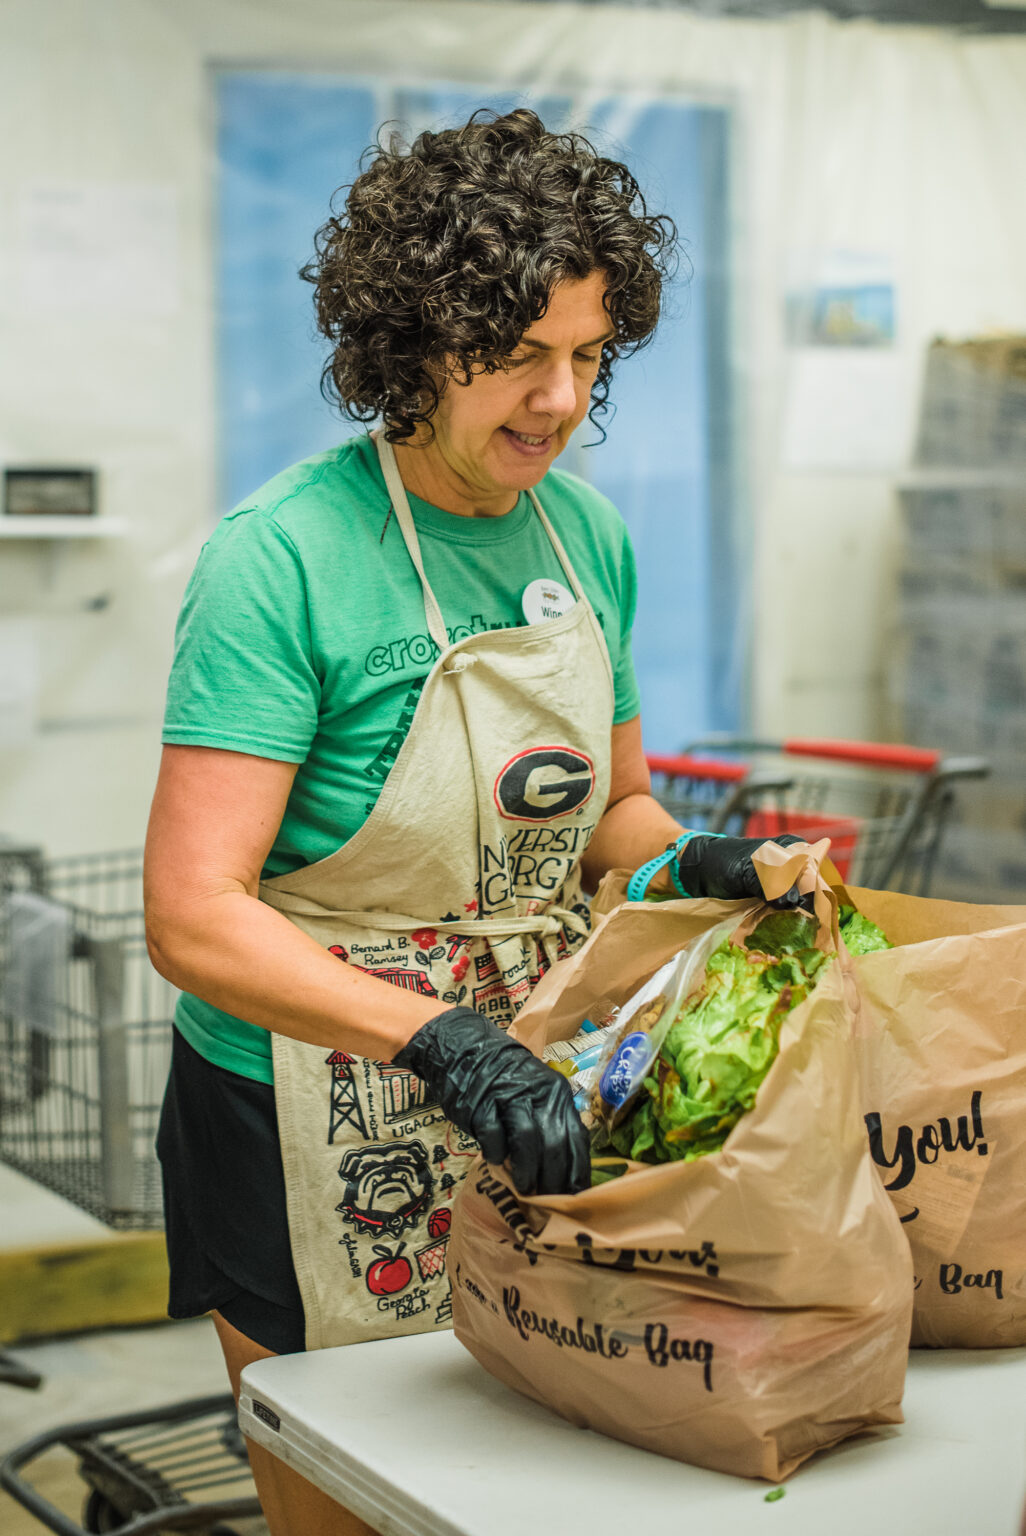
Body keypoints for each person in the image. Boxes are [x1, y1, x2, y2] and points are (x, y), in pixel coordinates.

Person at [145, 108, 801, 1536]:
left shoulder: (589, 539)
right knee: (345, 1491)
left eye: (587, 354)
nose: (557, 400)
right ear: (408, 343)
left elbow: (610, 808)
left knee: (517, 1480)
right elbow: (195, 915)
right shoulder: (287, 560)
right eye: (513, 354)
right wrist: (431, 1040)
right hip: (308, 1102)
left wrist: (693, 855)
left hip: (530, 1073)